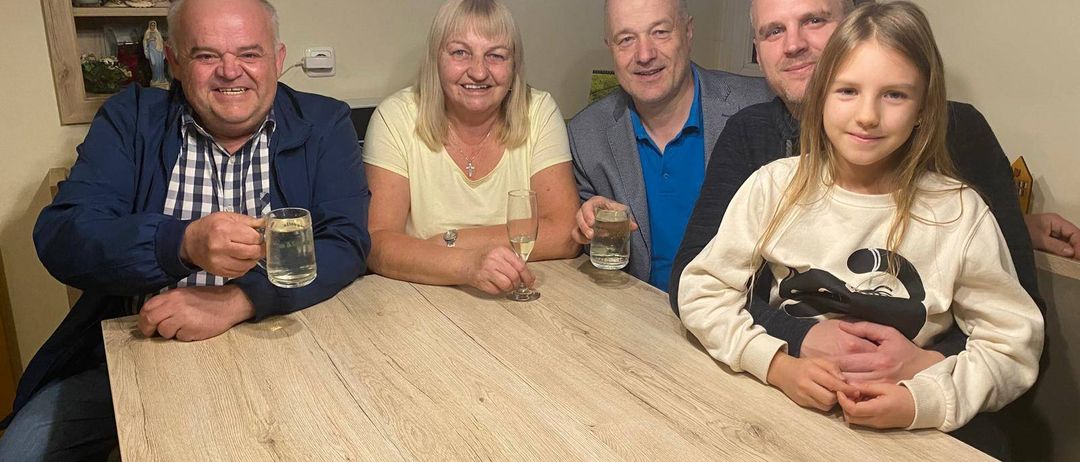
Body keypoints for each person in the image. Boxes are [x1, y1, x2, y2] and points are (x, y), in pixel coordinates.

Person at [0, 0, 371, 459]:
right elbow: (63, 237)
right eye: (206, 55)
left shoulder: (324, 122)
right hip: (147, 345)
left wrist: (239, 299)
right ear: (174, 61)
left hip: (285, 334)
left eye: (249, 54)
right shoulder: (130, 119)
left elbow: (347, 240)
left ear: (277, 59)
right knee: (23, 449)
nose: (230, 71)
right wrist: (183, 243)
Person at [678, 2, 1042, 455]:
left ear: (924, 109)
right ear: (821, 97)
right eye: (847, 91)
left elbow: (1014, 347)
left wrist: (920, 397)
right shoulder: (771, 187)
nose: (867, 115)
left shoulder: (960, 213)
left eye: (894, 95)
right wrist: (775, 363)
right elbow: (700, 289)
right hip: (771, 420)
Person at [364, 0, 579, 294]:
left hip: (520, 296)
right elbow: (377, 243)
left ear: (514, 65)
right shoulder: (395, 117)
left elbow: (565, 233)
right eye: (460, 53)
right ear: (435, 59)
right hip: (421, 302)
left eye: (496, 55)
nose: (479, 72)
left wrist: (448, 241)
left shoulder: (539, 111)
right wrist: (467, 265)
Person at [567, 0, 773, 291]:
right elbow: (590, 254)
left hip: (742, 322)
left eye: (660, 32)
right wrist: (588, 225)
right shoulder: (587, 135)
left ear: (688, 32)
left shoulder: (759, 106)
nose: (645, 54)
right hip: (640, 319)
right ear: (610, 47)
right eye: (626, 39)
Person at [143, 20, 168, 89]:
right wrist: (146, 51)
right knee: (154, 65)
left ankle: (161, 79)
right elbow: (145, 42)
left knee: (160, 65)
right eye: (151, 25)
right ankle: (155, 79)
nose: (153, 26)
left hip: (158, 52)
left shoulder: (158, 33)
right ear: (149, 26)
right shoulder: (147, 33)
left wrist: (163, 52)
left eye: (154, 25)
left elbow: (161, 42)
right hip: (152, 52)